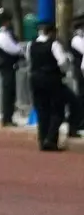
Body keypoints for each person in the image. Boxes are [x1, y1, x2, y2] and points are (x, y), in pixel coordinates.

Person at [27, 20, 69, 152]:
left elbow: (29, 60)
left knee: (42, 110)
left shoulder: (31, 44)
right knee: (57, 111)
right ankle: (50, 139)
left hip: (35, 79)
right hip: (51, 79)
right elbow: (62, 62)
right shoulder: (54, 44)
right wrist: (64, 71)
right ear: (51, 32)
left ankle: (42, 139)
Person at [0, 9, 22, 127]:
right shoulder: (2, 36)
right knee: (8, 93)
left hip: (10, 67)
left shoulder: (8, 34)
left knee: (10, 93)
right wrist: (22, 50)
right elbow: (14, 49)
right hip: (6, 67)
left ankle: (9, 117)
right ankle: (6, 118)